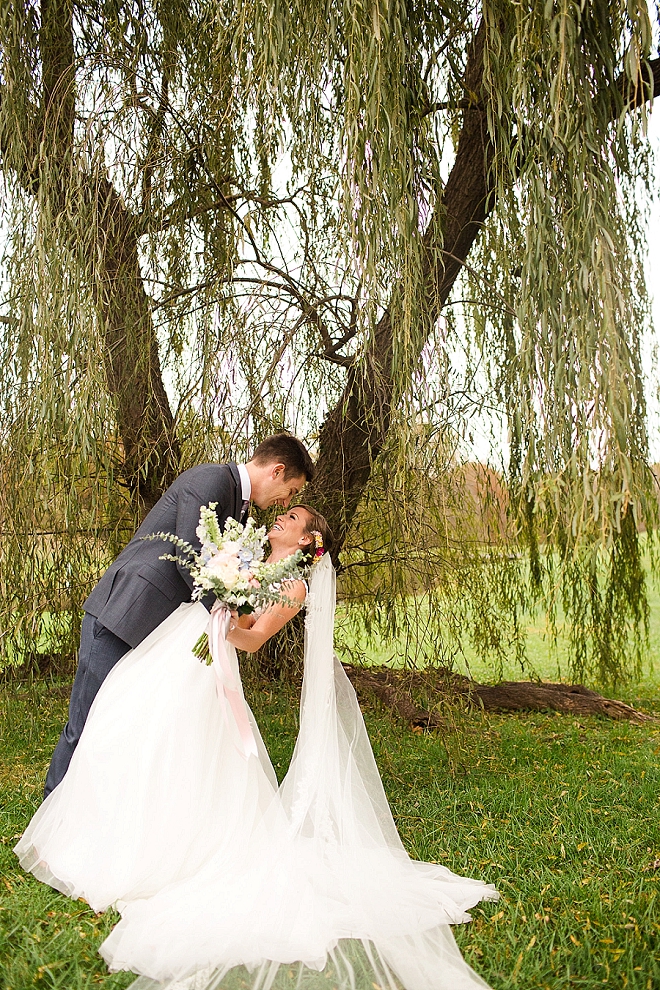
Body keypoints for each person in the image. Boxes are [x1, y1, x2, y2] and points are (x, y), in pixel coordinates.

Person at [16, 504, 499, 990]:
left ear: (308, 542)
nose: (280, 520)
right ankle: (111, 824)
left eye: (292, 520)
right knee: (127, 719)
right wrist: (217, 586)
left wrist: (222, 615)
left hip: (208, 662)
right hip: (175, 645)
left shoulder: (294, 587)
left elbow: (254, 640)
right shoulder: (246, 554)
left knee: (180, 745)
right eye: (284, 514)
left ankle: (163, 846)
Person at [43, 433, 314, 797]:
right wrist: (225, 608)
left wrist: (226, 612)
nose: (287, 500)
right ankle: (50, 819)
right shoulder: (213, 480)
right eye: (292, 491)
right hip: (123, 614)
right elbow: (192, 562)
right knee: (87, 723)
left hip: (156, 629)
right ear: (278, 471)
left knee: (117, 726)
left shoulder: (238, 502)